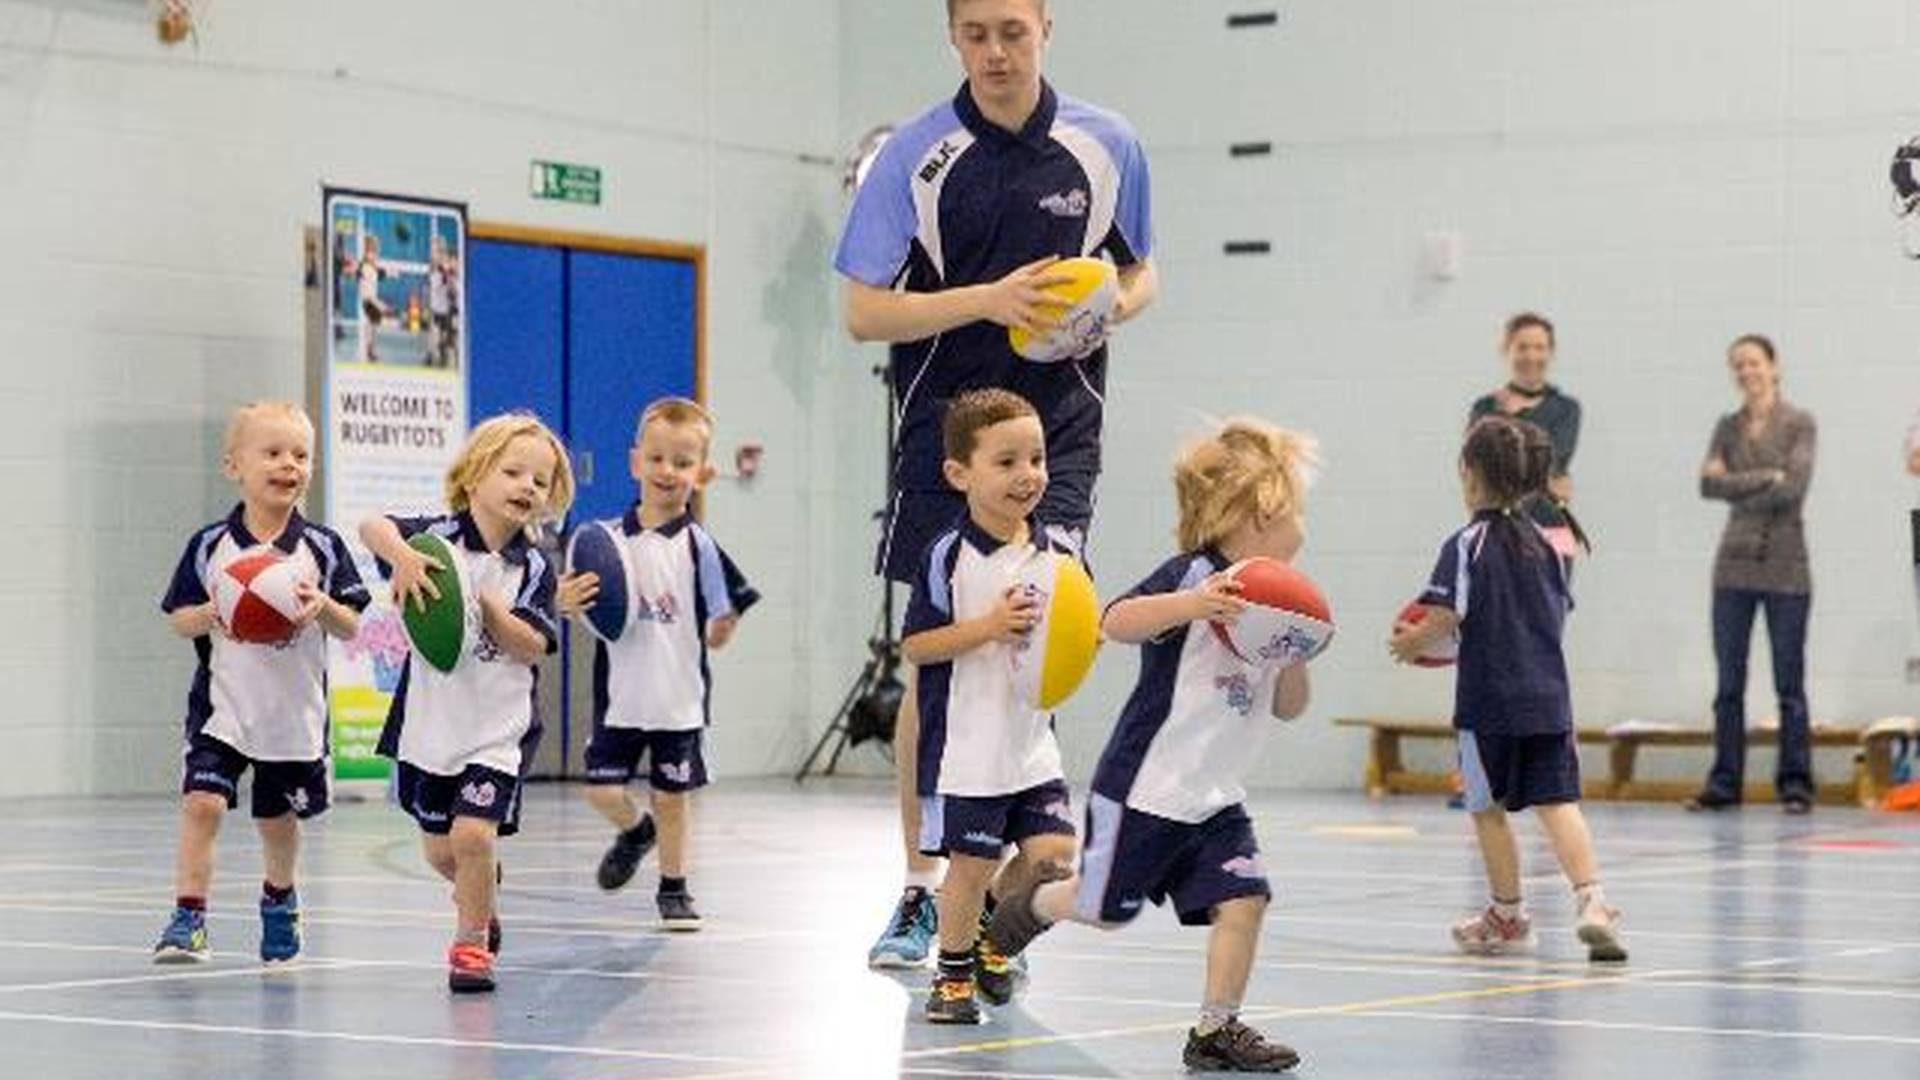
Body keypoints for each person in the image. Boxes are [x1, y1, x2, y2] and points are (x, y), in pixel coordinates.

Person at [835, 0, 1159, 971]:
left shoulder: (1109, 146)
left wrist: (1104, 309)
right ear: (953, 37)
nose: (995, 50)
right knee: (935, 665)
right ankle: (922, 890)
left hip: (1058, 440)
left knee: (1040, 638)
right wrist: (988, 301)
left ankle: (1008, 894)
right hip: (947, 442)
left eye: (1012, 30)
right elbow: (861, 313)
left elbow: (1143, 274)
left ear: (1046, 28)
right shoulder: (915, 158)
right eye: (975, 32)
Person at [985, 418, 1317, 1073]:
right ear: (1258, 511)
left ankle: (1215, 1032)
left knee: (1247, 900)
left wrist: (1296, 650)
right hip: (1147, 789)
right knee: (1104, 913)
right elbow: (1117, 621)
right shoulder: (1196, 575)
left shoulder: (1277, 605)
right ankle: (1023, 911)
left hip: (1214, 799)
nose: (1301, 524)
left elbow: (1289, 708)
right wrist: (1190, 605)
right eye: (1294, 510)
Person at [1389, 415, 1626, 964]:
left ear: (1468, 475)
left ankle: (1508, 914)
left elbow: (1445, 616)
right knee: (1558, 804)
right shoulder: (1551, 549)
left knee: (1486, 807)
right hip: (1548, 700)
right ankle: (1593, 902)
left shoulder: (1465, 544)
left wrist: (1411, 643)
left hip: (1486, 704)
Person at [360, 413, 574, 992]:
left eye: (540, 480)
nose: (527, 486)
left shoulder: (531, 567)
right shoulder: (436, 540)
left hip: (496, 732)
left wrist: (489, 611)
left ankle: (471, 945)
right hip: (430, 727)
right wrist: (402, 559)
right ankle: (485, 899)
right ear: (474, 475)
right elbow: (372, 525)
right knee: (439, 852)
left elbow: (533, 646)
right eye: (513, 472)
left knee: (473, 837)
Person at [153, 402, 369, 964]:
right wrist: (211, 614)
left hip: (291, 715)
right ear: (235, 466)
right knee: (202, 803)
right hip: (222, 708)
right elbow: (179, 617)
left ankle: (279, 897)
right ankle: (188, 916)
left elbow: (352, 624)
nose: (288, 465)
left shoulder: (321, 547)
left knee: (277, 821)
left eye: (301, 455)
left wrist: (321, 605)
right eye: (272, 453)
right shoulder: (209, 546)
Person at [905, 389, 1081, 1024]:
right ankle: (951, 976)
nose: (1028, 474)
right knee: (973, 866)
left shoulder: (1059, 551)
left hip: (1033, 744)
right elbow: (918, 646)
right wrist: (988, 626)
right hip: (969, 749)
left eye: (1036, 458)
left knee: (1053, 862)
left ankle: (994, 939)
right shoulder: (947, 555)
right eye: (1006, 462)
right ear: (960, 474)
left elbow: (1074, 627)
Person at [557, 398, 758, 932]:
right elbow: (572, 600)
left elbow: (725, 612)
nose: (669, 471)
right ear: (635, 462)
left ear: (703, 473)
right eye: (658, 458)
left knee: (673, 798)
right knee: (601, 790)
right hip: (620, 698)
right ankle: (634, 831)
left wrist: (722, 628)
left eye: (683, 461)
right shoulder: (602, 540)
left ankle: (674, 889)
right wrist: (566, 601)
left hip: (678, 698)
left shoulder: (700, 547)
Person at [1687, 334, 1819, 815]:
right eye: (1738, 364)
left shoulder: (1800, 423)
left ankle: (1796, 783)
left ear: (1774, 366)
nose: (1747, 371)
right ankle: (1724, 782)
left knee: (1790, 684)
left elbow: (1796, 487)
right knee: (1728, 685)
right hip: (1733, 567)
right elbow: (1706, 484)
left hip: (1788, 568)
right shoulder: (1727, 426)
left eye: (1755, 362)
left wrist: (1735, 485)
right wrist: (1768, 476)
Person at [1467, 312, 1582, 542]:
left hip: (1553, 529)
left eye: (1539, 347)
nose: (1531, 355)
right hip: (1495, 529)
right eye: (1522, 347)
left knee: (1551, 579)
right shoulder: (1484, 408)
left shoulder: (1566, 408)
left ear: (1551, 352)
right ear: (1506, 350)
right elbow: (1475, 470)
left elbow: (1551, 460)